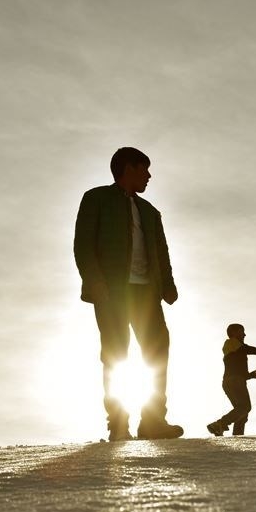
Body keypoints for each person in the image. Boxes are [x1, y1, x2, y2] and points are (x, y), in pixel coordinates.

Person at [73, 146, 183, 441]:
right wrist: (94, 282)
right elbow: (83, 244)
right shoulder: (96, 198)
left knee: (157, 350)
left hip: (147, 291)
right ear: (128, 168)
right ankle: (118, 425)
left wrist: (168, 285)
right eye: (144, 169)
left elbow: (162, 251)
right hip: (111, 291)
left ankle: (153, 422)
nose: (149, 175)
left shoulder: (150, 211)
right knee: (115, 353)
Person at [207, 324, 256, 437]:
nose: (244, 334)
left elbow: (237, 367)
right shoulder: (231, 342)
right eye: (241, 331)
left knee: (241, 411)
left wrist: (250, 375)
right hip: (234, 381)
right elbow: (248, 349)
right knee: (245, 407)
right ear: (234, 333)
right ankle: (220, 424)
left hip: (232, 381)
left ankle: (238, 436)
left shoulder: (236, 348)